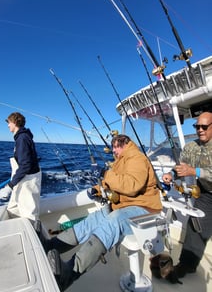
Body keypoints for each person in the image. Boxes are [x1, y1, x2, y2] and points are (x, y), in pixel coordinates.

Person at [46, 134, 162, 291]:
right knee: (91, 220)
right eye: (112, 147)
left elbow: (131, 185)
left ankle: (69, 273)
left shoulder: (137, 158)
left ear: (124, 145)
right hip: (123, 206)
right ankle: (51, 246)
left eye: (115, 147)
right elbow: (110, 183)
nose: (113, 150)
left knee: (114, 221)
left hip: (145, 209)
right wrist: (97, 191)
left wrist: (105, 173)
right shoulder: (120, 162)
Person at [162, 111, 212, 278]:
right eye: (197, 126)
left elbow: (194, 170)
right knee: (195, 226)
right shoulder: (191, 147)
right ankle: (186, 265)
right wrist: (171, 174)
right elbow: (181, 167)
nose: (200, 130)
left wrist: (195, 171)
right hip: (206, 193)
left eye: (204, 126)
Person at [0, 112, 42, 231]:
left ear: (15, 122)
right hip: (22, 178)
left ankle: (34, 240)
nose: (8, 125)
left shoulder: (22, 138)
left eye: (9, 122)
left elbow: (25, 165)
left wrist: (9, 186)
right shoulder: (23, 137)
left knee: (29, 215)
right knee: (13, 208)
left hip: (28, 181)